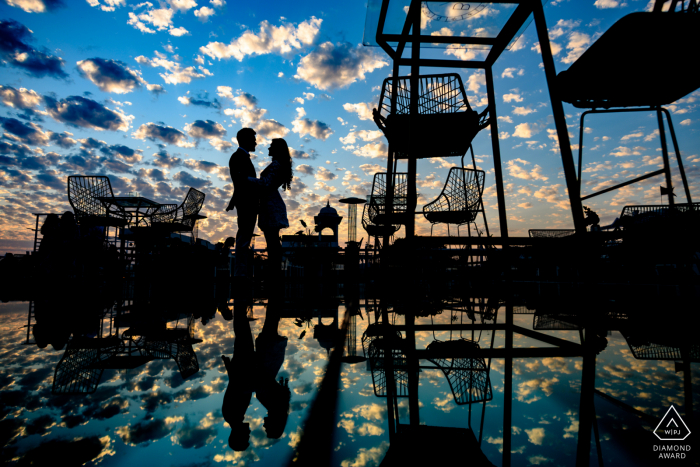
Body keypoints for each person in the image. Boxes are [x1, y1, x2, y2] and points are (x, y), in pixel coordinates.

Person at [247, 138, 292, 282]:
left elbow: (266, 183)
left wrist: (248, 179)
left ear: (277, 149)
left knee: (272, 241)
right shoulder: (279, 164)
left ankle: (275, 272)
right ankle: (275, 271)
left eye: (271, 146)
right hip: (271, 205)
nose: (268, 148)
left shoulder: (277, 164)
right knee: (272, 241)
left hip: (271, 206)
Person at [227, 128, 258, 279]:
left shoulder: (241, 157)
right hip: (246, 202)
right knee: (244, 238)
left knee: (244, 236)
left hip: (247, 202)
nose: (256, 142)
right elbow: (240, 180)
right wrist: (260, 182)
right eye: (253, 139)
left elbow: (238, 181)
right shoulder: (238, 157)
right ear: (245, 140)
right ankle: (240, 273)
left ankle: (241, 272)